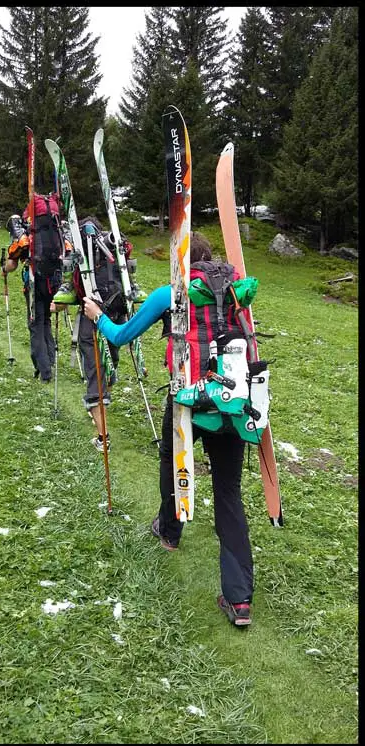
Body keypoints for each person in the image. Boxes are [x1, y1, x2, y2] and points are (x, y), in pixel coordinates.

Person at [83, 231, 263, 628]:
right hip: (232, 402)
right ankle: (240, 600)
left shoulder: (171, 295)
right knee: (228, 492)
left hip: (187, 399)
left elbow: (121, 335)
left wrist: (97, 316)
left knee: (172, 459)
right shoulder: (235, 294)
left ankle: (169, 530)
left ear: (181, 263)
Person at [51, 216, 143, 453]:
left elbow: (65, 296)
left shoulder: (82, 261)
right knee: (109, 365)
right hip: (117, 320)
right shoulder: (114, 256)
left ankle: (103, 436)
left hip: (91, 321)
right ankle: (99, 408)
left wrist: (57, 304)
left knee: (95, 374)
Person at [4, 195, 70, 382]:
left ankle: (43, 370)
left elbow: (12, 263)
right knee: (46, 320)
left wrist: (4, 268)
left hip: (35, 281)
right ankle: (49, 361)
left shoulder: (28, 233)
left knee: (35, 323)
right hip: (55, 281)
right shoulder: (58, 232)